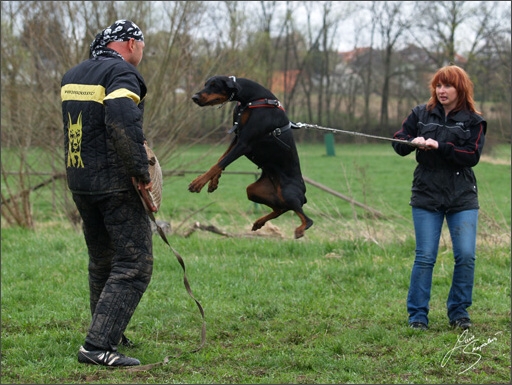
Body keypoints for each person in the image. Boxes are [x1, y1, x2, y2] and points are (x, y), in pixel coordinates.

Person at [61, 20, 152, 366]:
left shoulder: (74, 73)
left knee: (103, 259)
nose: (142, 52)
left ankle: (106, 329)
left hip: (79, 179)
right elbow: (121, 120)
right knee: (134, 263)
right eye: (142, 45)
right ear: (130, 43)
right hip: (114, 183)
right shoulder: (122, 74)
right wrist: (139, 172)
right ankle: (98, 346)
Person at [391, 64, 487, 331]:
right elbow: (398, 142)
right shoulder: (420, 114)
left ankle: (459, 313)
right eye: (438, 85)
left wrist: (440, 146)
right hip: (426, 193)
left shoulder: (474, 121)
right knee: (425, 256)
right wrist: (411, 142)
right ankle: (418, 316)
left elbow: (472, 156)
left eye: (448, 85)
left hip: (462, 196)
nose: (442, 90)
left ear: (461, 89)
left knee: (466, 255)